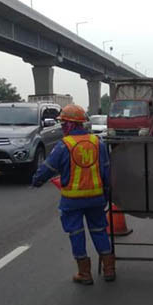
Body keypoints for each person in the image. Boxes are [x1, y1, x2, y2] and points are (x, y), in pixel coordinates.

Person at [32, 104, 115, 285]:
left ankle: (84, 273)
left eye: (64, 124)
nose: (62, 127)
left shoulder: (64, 145)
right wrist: (107, 193)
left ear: (70, 125)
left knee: (76, 233)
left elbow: (48, 168)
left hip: (72, 201)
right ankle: (109, 269)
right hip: (96, 198)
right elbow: (106, 171)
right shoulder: (97, 143)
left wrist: (36, 181)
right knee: (99, 231)